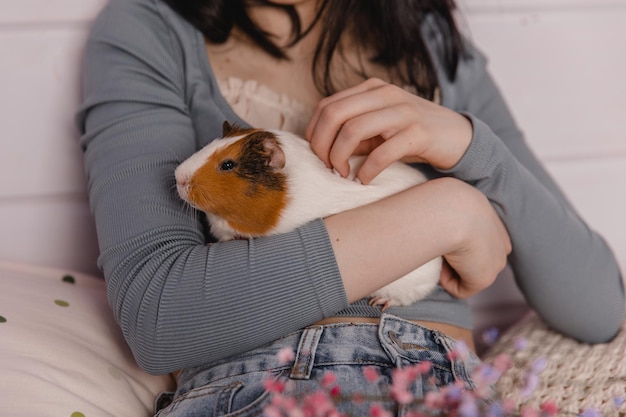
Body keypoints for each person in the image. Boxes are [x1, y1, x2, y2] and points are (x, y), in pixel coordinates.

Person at [76, 0, 624, 415]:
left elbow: (598, 307)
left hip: (448, 385)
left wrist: (475, 150)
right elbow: (160, 320)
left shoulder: (428, 38)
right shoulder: (149, 28)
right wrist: (446, 212)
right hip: (260, 385)